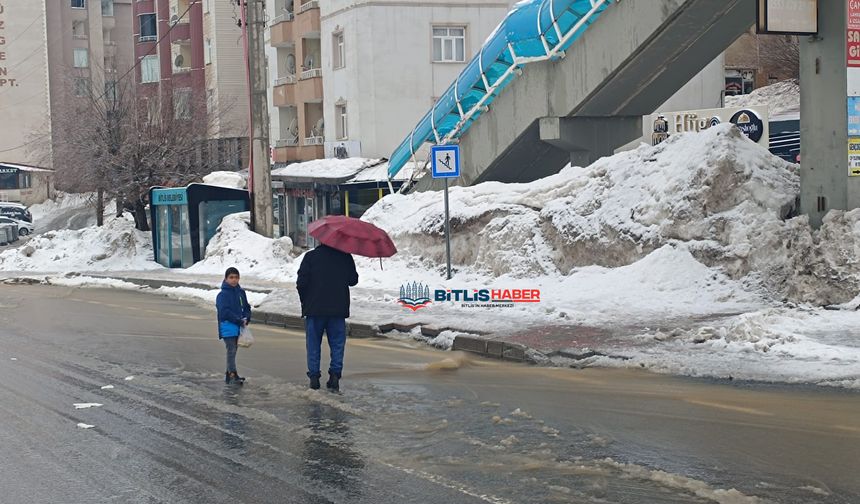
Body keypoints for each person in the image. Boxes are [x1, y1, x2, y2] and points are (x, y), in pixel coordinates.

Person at [297, 243, 359, 391]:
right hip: (338, 309)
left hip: (314, 309)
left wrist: (305, 301)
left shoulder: (310, 257)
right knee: (337, 344)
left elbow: (301, 283)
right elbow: (353, 280)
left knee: (313, 344)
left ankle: (314, 377)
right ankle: (335, 376)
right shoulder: (345, 257)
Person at [216, 267, 251, 384]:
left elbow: (246, 307)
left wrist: (247, 317)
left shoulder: (241, 293)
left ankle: (229, 373)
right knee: (231, 350)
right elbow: (224, 312)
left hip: (239, 325)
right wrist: (238, 320)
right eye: (231, 277)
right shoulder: (222, 295)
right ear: (226, 279)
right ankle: (232, 374)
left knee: (234, 350)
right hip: (227, 326)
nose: (234, 280)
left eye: (236, 277)